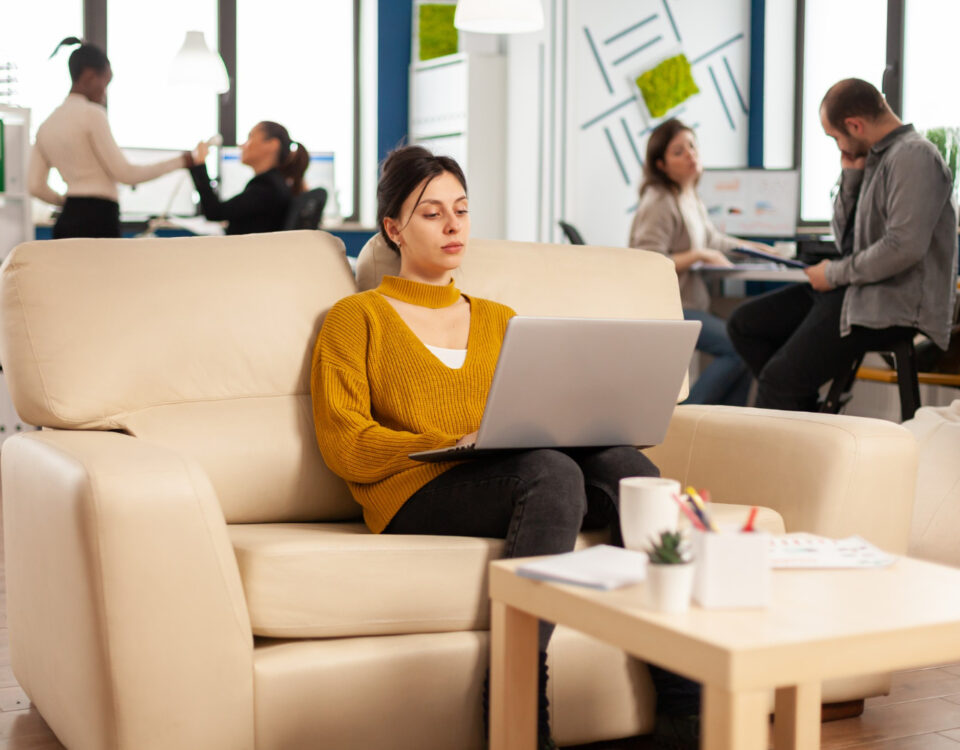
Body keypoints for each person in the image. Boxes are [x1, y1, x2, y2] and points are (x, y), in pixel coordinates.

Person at [311, 145, 701, 750]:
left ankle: (686, 703)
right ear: (393, 228)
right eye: (431, 213)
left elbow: (535, 416)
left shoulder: (499, 320)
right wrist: (453, 443)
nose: (452, 226)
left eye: (461, 211)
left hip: (507, 469)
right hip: (413, 487)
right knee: (550, 474)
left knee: (632, 470)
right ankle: (516, 705)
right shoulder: (355, 318)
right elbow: (345, 443)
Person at [727, 79, 958, 412]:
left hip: (890, 303)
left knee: (778, 380)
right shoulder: (874, 157)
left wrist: (834, 274)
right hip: (858, 292)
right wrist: (850, 178)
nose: (838, 146)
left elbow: (904, 246)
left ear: (855, 125)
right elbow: (845, 240)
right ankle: (801, 409)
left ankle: (791, 418)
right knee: (744, 325)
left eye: (835, 137)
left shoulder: (914, 156)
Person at [628, 119, 773, 406]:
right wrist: (698, 254)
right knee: (739, 348)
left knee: (745, 351)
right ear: (661, 164)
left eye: (692, 146)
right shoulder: (659, 201)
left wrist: (758, 250)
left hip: (690, 304)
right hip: (669, 308)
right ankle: (687, 420)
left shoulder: (689, 197)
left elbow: (714, 240)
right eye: (678, 152)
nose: (691, 155)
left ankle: (722, 431)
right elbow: (646, 261)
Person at [28, 37, 191, 239]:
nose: (104, 94)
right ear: (88, 76)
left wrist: (68, 202)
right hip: (98, 219)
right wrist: (181, 161)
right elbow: (126, 174)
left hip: (67, 221)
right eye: (104, 83)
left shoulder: (46, 125)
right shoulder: (92, 114)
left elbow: (34, 185)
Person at [186, 122, 307, 235]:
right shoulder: (276, 183)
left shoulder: (267, 187)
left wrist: (200, 165)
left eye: (250, 137)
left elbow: (215, 212)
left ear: (272, 145)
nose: (241, 145)